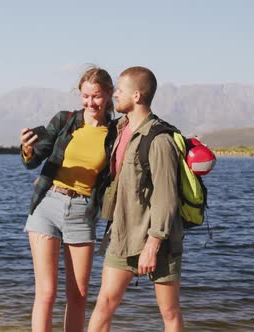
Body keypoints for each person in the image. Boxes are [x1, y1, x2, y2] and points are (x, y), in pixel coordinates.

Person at [19, 66, 117, 332]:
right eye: (85, 96)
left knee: (78, 294)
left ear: (109, 95)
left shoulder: (116, 133)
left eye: (96, 96)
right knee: (46, 293)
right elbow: (34, 160)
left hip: (82, 211)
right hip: (47, 205)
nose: (90, 102)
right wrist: (28, 150)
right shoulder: (65, 120)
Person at [88, 66, 184, 331]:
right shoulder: (120, 130)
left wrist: (152, 246)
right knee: (104, 304)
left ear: (138, 95)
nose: (115, 94)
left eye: (120, 90)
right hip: (122, 235)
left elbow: (166, 198)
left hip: (158, 241)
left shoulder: (159, 139)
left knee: (169, 312)